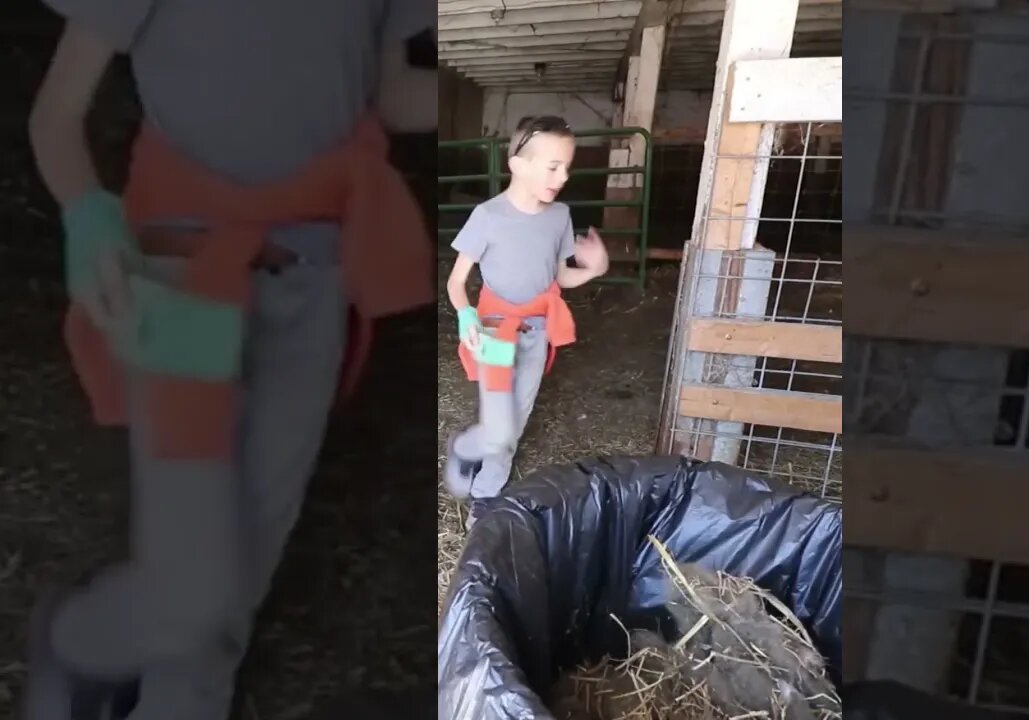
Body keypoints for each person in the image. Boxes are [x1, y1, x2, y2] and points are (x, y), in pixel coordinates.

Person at [22, 3, 435, 719]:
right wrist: (88, 218)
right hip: (179, 273)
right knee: (190, 591)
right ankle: (75, 641)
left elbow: (390, 92)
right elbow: (56, 113)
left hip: (311, 279)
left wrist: (502, 106)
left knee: (238, 580)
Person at [442, 115, 609, 525]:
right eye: (553, 166)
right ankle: (470, 455)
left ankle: (485, 490)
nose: (563, 176)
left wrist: (592, 270)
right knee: (500, 426)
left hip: (536, 332)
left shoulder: (559, 216)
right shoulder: (488, 216)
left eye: (567, 166)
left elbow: (558, 277)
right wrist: (466, 315)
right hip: (494, 330)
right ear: (518, 164)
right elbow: (456, 281)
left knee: (515, 422)